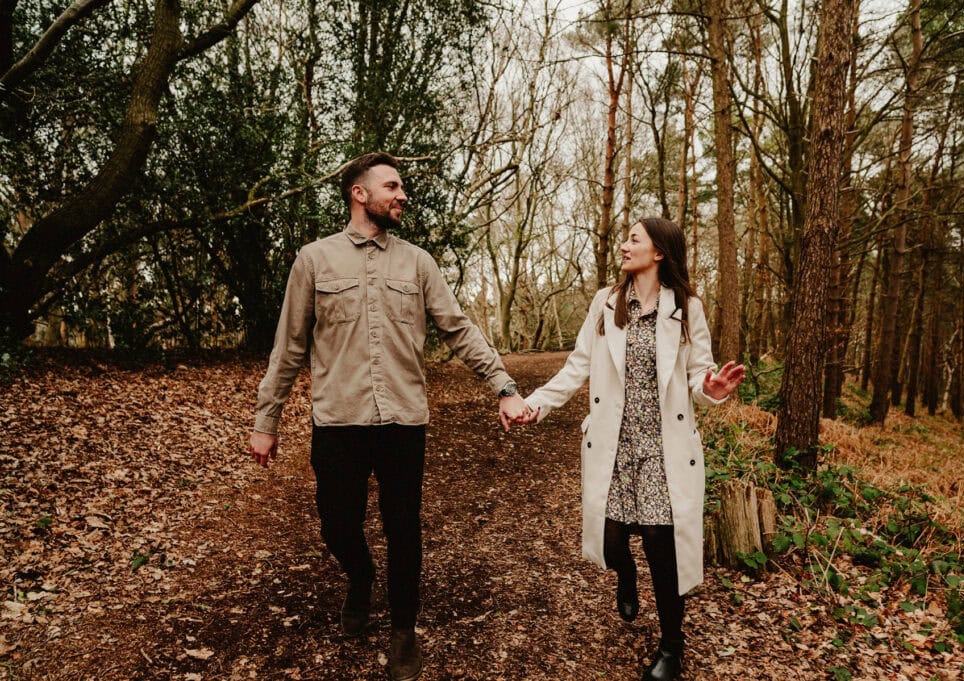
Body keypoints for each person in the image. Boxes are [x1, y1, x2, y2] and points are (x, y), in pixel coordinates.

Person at [248, 152, 529, 681]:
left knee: (404, 527)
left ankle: (403, 630)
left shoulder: (418, 263)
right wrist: (267, 421)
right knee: (336, 523)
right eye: (391, 186)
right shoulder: (314, 260)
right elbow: (288, 347)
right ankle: (359, 575)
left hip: (403, 420)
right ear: (359, 193)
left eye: (402, 188)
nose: (402, 195)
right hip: (339, 420)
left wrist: (504, 385)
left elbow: (458, 328)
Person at [517, 217, 744, 681]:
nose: (624, 245)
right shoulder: (606, 302)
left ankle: (671, 647)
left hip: (664, 450)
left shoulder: (685, 305)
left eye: (634, 239)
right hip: (614, 446)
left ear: (659, 251)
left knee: (664, 548)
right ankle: (625, 575)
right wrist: (535, 404)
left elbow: (700, 373)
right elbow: (577, 366)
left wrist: (713, 388)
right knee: (611, 540)